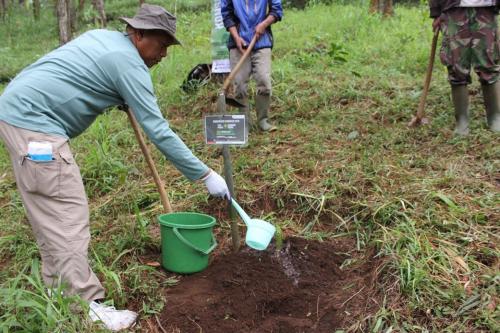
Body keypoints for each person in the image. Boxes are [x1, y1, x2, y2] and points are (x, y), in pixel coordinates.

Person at [0, 4, 230, 331]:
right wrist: (205, 174)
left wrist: (116, 94)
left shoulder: (104, 39)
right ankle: (85, 308)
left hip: (15, 114)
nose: (163, 53)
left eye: (167, 46)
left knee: (51, 216)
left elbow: (83, 74)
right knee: (67, 214)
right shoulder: (128, 64)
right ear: (137, 35)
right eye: (160, 44)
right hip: (36, 128)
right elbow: (160, 131)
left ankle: (59, 294)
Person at [430, 0, 500, 135]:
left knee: (489, 64)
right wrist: (436, 12)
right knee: (456, 66)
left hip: (486, 9)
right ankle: (462, 121)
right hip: (453, 9)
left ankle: (495, 118)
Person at [221, 0, 283, 132]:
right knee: (239, 84)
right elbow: (227, 15)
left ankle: (263, 120)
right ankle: (244, 122)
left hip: (262, 41)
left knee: (263, 80)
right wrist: (237, 38)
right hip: (238, 43)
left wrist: (264, 24)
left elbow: (277, 10)